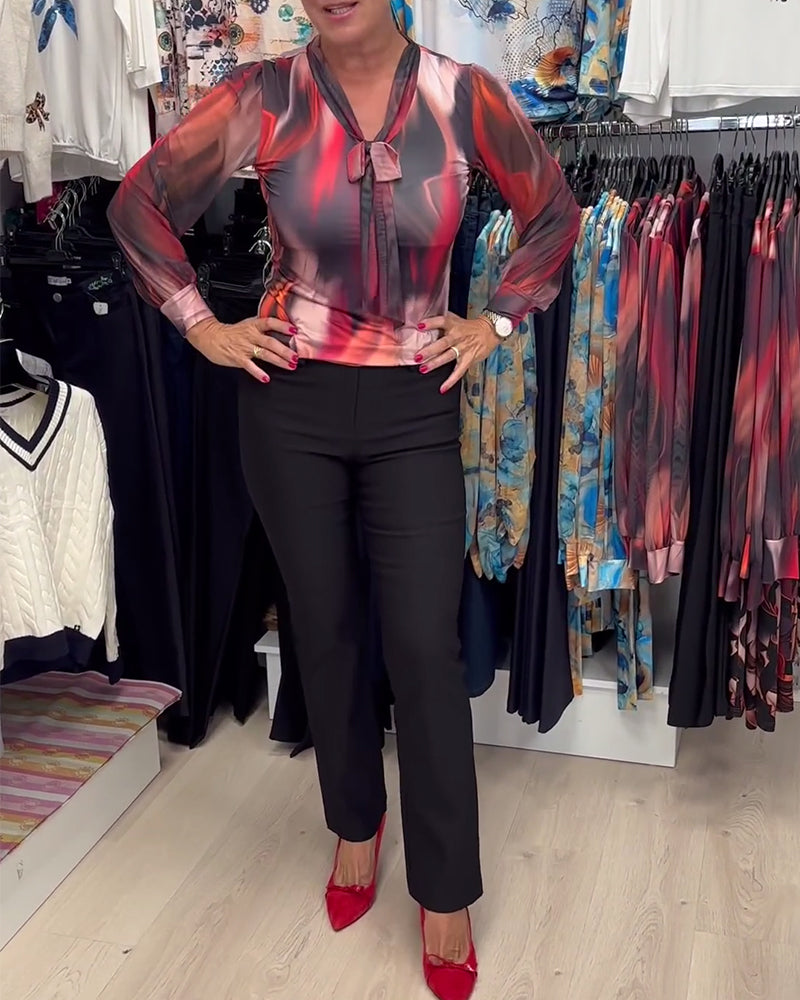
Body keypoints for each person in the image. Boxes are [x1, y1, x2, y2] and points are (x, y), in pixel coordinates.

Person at [108, 2, 579, 997]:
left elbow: (553, 213)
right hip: (289, 402)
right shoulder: (264, 95)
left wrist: (495, 321)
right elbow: (139, 203)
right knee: (322, 630)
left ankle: (443, 889)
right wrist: (201, 324)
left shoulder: (462, 97)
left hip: (413, 401)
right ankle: (355, 826)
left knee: (422, 643)